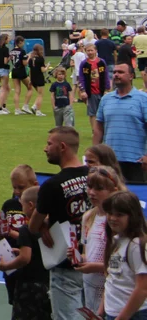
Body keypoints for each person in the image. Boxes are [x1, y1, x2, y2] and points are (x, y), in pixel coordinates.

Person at [31, 126, 90, 320]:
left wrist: (44, 223)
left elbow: (32, 225)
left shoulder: (52, 185)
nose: (45, 148)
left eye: (49, 144)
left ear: (62, 146)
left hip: (66, 264)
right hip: (95, 261)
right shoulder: (95, 176)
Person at [0, 186, 51, 320]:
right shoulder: (49, 227)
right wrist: (20, 251)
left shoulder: (26, 229)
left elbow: (25, 258)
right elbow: (37, 251)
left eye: (22, 205)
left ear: (30, 206)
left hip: (28, 285)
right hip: (47, 282)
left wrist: (6, 266)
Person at [75, 165, 125, 315]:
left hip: (109, 289)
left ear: (113, 190)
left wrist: (94, 266)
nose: (91, 192)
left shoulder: (115, 222)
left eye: (99, 188)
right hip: (88, 285)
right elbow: (86, 252)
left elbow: (119, 262)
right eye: (89, 187)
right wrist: (78, 258)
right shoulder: (88, 217)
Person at [0, 165, 37, 309]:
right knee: (15, 305)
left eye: (21, 188)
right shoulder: (9, 205)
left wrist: (10, 232)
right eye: (14, 187)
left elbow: (33, 237)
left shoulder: (37, 209)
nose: (16, 192)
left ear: (33, 185)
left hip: (31, 267)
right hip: (11, 262)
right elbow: (0, 237)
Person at [93, 63, 147, 183]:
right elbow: (99, 129)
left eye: (121, 72)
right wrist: (95, 154)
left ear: (131, 76)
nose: (116, 75)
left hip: (136, 161)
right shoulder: (106, 99)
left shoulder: (143, 99)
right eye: (115, 72)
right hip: (110, 161)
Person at [98, 191, 147, 320]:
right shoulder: (116, 240)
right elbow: (111, 279)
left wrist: (122, 318)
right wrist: (101, 310)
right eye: (110, 213)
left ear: (132, 216)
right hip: (112, 312)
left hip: (133, 314)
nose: (113, 218)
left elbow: (142, 288)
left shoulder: (136, 245)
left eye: (119, 215)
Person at [80, 41, 109, 136]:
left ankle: (103, 129)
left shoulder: (101, 62)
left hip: (101, 91)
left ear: (96, 51)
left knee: (103, 112)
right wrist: (83, 90)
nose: (90, 52)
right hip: (91, 91)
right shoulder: (84, 64)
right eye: (88, 51)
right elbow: (81, 78)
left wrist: (107, 89)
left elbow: (106, 76)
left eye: (91, 50)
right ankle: (94, 131)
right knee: (92, 112)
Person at [0, 33, 12, 114]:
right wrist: (9, 58)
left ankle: (4, 106)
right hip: (3, 70)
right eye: (8, 39)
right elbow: (5, 61)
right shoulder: (5, 49)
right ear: (5, 40)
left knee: (7, 88)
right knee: (4, 89)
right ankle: (0, 108)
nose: (9, 40)